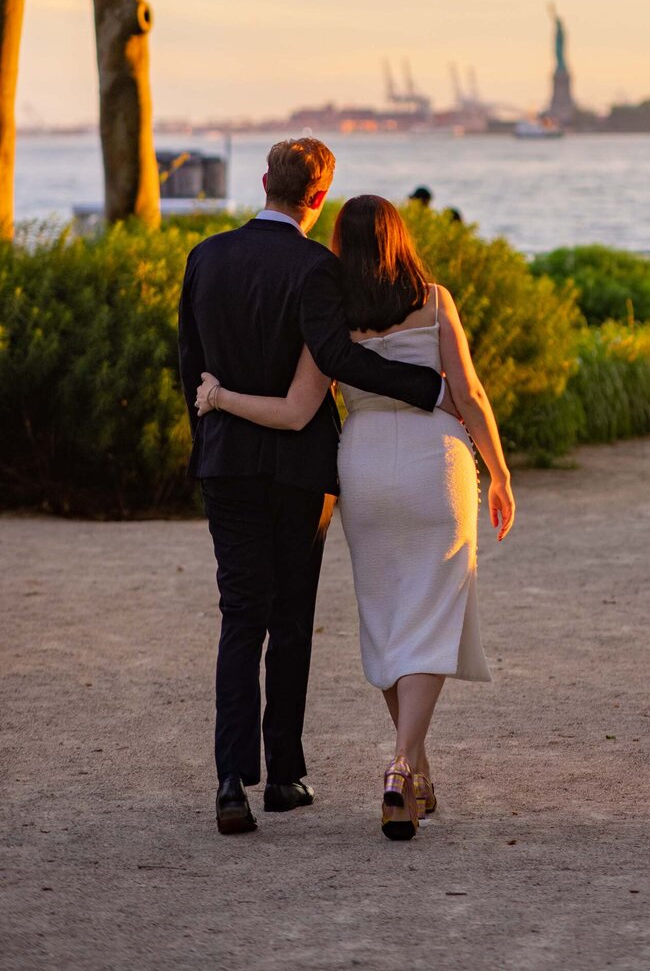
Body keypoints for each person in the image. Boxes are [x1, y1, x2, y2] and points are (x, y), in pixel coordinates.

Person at [194, 194, 515, 842]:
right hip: (435, 463)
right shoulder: (432, 298)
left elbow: (294, 409)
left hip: (364, 467)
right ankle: (401, 765)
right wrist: (500, 471)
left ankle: (415, 770)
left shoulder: (334, 315)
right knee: (433, 613)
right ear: (399, 238)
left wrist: (220, 395)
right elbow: (471, 392)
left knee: (390, 617)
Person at [178, 138, 444, 838]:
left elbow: (189, 364)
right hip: (300, 470)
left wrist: (206, 434)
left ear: (264, 180)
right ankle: (286, 775)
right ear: (317, 196)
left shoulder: (204, 257)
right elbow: (335, 357)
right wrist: (424, 386)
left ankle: (231, 781)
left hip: (226, 460)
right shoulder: (316, 268)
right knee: (290, 618)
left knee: (241, 616)